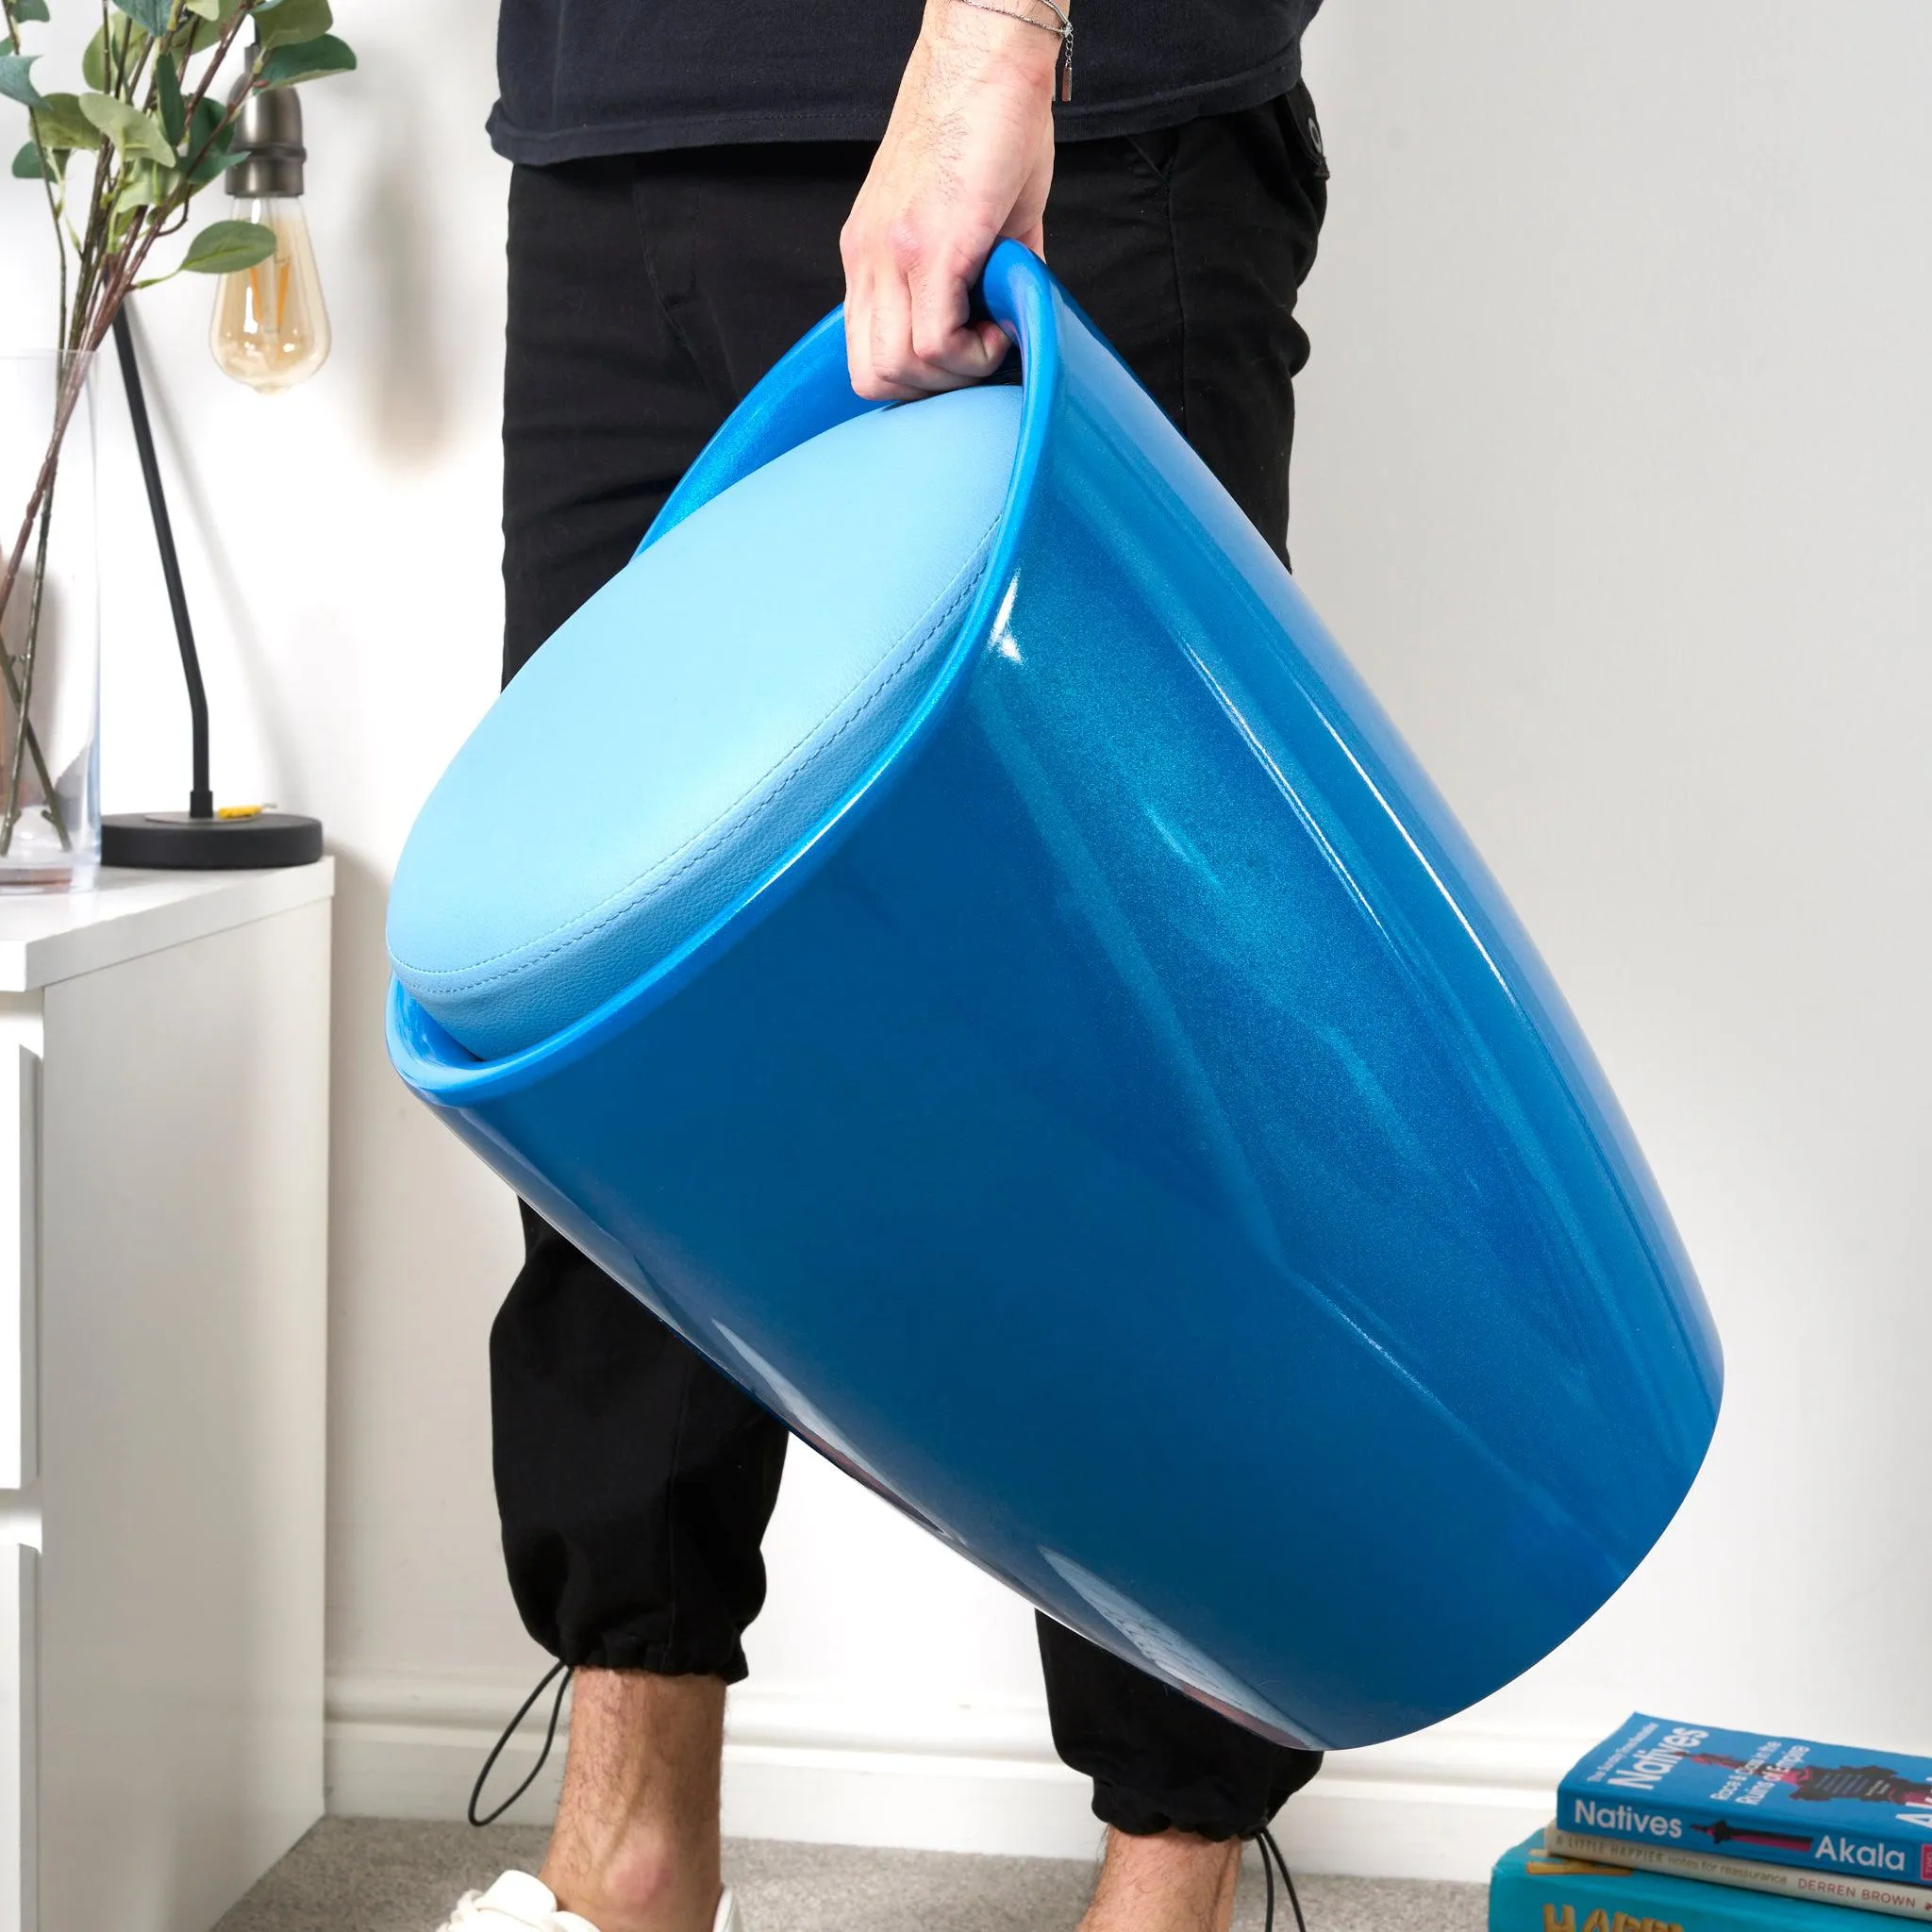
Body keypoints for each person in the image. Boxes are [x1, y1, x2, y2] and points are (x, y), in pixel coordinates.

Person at [444, 1, 1330, 1926]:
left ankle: (1168, 1879)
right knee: (624, 1024)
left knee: (1126, 1038)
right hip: (626, 128)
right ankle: (630, 1850)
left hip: (1061, 125)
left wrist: (1001, 37)